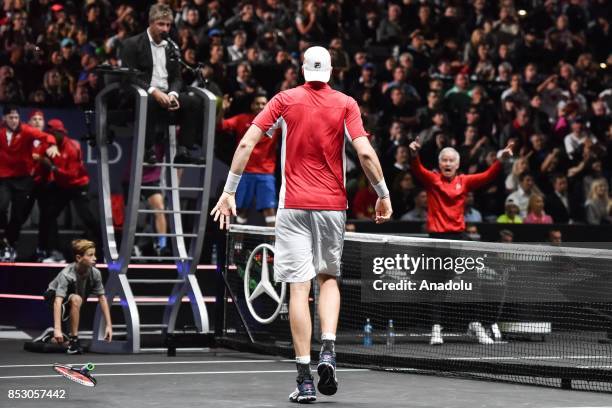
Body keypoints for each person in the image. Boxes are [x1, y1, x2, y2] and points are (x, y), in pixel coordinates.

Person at [211, 46, 392, 403]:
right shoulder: (346, 103)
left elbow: (248, 140)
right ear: (331, 71)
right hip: (331, 207)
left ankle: (305, 378)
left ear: (303, 69)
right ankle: (329, 349)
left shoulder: (284, 99)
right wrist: (382, 194)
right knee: (327, 279)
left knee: (298, 289)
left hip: (292, 206)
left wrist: (229, 191)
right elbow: (366, 153)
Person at [408, 139, 513, 346]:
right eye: (444, 160)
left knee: (472, 281)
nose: (447, 164)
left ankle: (475, 324)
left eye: (451, 161)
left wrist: (500, 160)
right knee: (438, 286)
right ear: (440, 164)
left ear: (457, 165)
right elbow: (417, 170)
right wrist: (414, 155)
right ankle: (436, 330)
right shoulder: (432, 180)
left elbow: (487, 176)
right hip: (437, 240)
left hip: (458, 239)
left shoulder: (464, 181)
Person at [120, 4, 204, 164]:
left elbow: (177, 78)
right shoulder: (132, 44)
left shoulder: (171, 46)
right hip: (141, 94)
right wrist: (154, 92)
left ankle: (183, 151)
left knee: (193, 101)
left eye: (168, 25)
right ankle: (148, 149)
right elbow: (128, 77)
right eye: (161, 24)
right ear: (151, 23)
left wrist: (173, 94)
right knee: (149, 99)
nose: (165, 29)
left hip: (166, 93)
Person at [0, 105, 59, 262]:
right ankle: (6, 243)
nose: (14, 120)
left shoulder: (32, 133)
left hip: (33, 181)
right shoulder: (8, 133)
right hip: (13, 179)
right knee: (7, 210)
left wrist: (52, 146)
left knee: (27, 216)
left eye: (16, 117)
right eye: (11, 117)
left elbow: (48, 142)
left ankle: (41, 249)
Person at [38, 119, 101, 256]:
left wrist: (52, 167)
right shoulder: (50, 144)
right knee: (49, 214)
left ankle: (103, 249)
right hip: (62, 186)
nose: (50, 136)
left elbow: (71, 174)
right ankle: (51, 250)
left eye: (53, 133)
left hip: (78, 185)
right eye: (49, 133)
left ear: (60, 133)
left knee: (88, 218)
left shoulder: (72, 147)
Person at [218, 93, 279, 227]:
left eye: (263, 104)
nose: (260, 106)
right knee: (241, 212)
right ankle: (238, 248)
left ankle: (272, 248)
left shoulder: (276, 123)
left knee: (270, 213)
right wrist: (223, 109)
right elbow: (221, 126)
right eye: (257, 103)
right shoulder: (242, 119)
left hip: (266, 174)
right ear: (252, 105)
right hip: (245, 173)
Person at [45, 239, 112, 354]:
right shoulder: (67, 274)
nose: (95, 258)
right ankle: (74, 340)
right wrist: (57, 329)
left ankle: (50, 336)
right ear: (78, 258)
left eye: (94, 254)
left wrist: (108, 326)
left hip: (73, 298)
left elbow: (102, 298)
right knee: (76, 299)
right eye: (90, 255)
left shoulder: (95, 274)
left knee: (60, 340)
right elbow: (57, 301)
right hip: (53, 296)